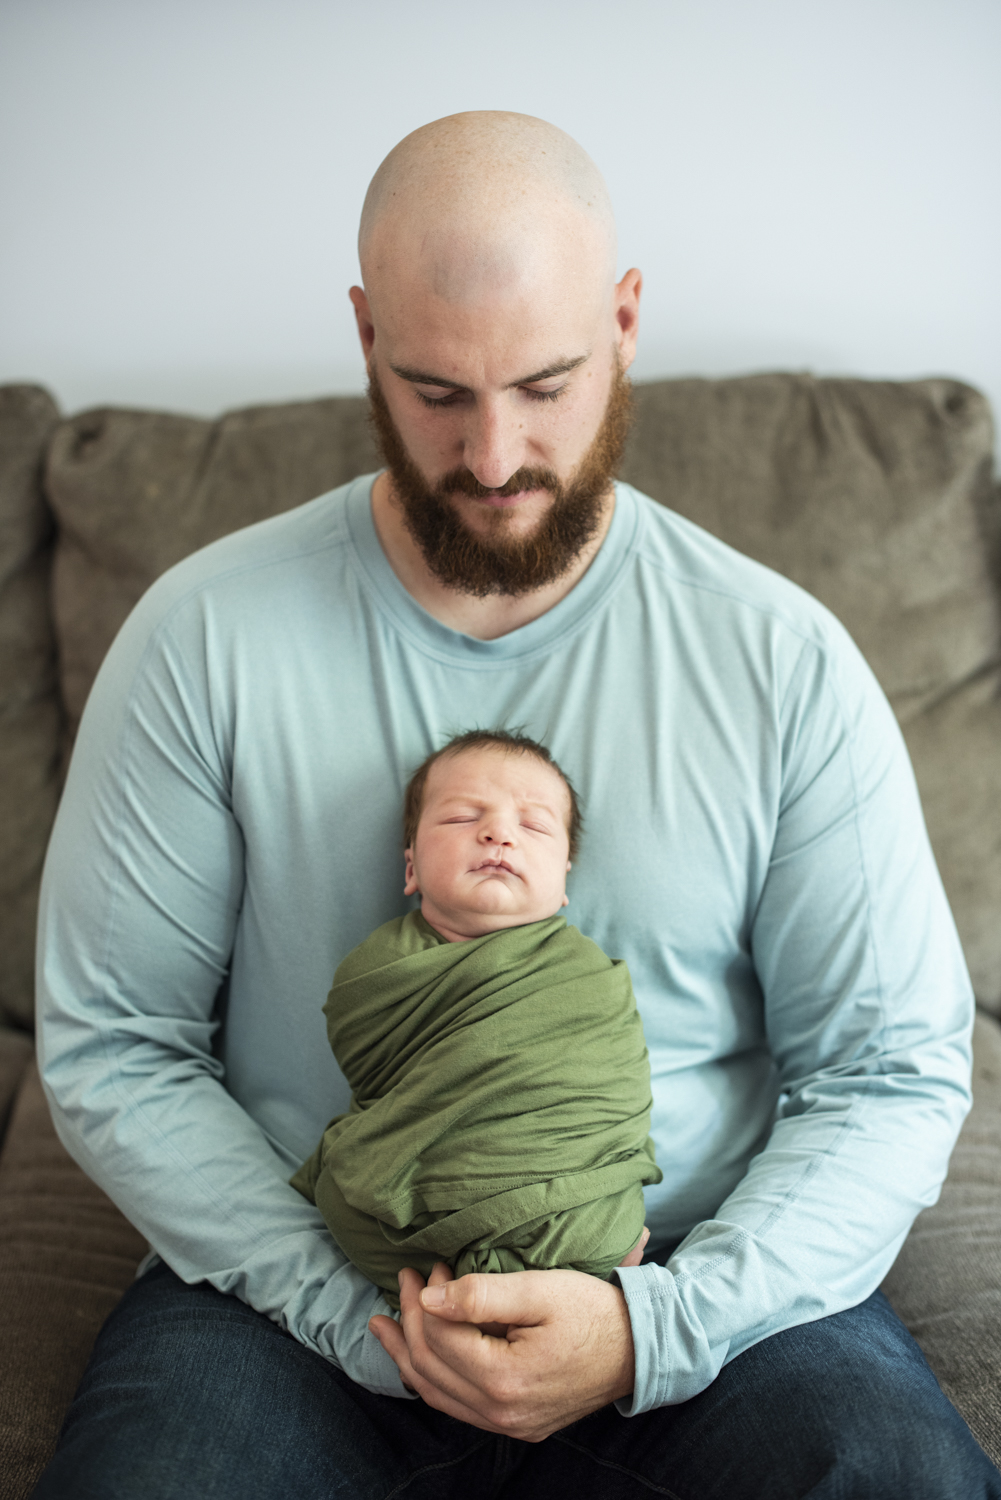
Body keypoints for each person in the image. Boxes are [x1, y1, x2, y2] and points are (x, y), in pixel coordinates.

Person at [32, 111, 999, 1497]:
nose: (493, 457)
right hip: (303, 1283)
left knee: (897, 1475)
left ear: (624, 320)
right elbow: (118, 1042)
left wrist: (652, 1330)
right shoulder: (203, 638)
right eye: (436, 393)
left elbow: (893, 1068)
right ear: (365, 338)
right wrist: (365, 1324)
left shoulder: (777, 659)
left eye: (546, 385)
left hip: (680, 1275)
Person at [291, 729, 660, 1304]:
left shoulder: (589, 979)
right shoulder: (378, 973)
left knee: (597, 1226)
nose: (498, 833)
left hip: (569, 1213)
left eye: (534, 825)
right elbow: (378, 1084)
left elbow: (612, 1097)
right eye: (463, 817)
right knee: (349, 1192)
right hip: (416, 1229)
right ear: (410, 866)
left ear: (564, 882)